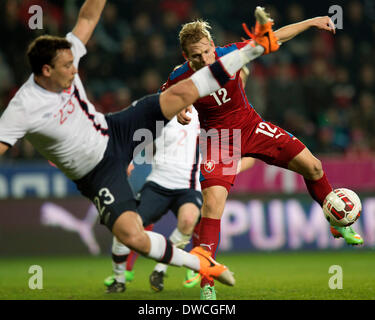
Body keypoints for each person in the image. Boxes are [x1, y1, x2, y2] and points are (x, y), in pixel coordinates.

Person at [0, 1, 278, 288]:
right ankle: (200, 264)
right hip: (96, 173)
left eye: (73, 62)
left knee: (179, 93)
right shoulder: (21, 109)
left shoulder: (65, 53)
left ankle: (252, 49)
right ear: (46, 70)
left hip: (115, 130)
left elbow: (87, 16)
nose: (74, 69)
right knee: (133, 236)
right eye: (68, 66)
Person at [162, 9, 363, 300]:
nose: (205, 60)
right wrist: (179, 110)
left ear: (212, 46)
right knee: (212, 208)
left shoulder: (230, 54)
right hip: (219, 141)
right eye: (196, 56)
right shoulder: (178, 77)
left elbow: (274, 37)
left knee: (315, 168)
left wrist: (311, 22)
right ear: (185, 56)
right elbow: (163, 103)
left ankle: (335, 219)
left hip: (252, 126)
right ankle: (207, 284)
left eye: (207, 52)